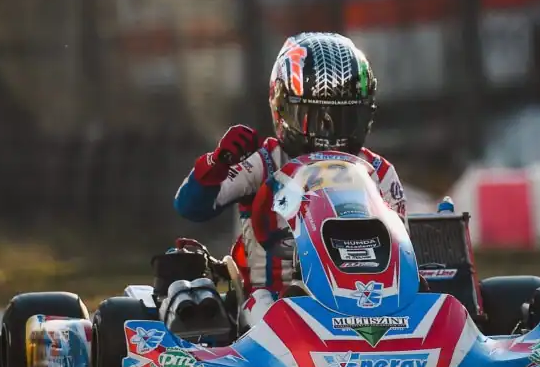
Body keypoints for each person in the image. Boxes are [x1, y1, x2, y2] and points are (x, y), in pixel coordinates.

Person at [173, 32, 407, 328]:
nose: (329, 132)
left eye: (343, 117)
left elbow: (402, 248)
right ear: (283, 109)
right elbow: (190, 206)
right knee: (269, 311)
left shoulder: (378, 172)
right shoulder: (265, 161)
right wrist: (218, 163)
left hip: (371, 294)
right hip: (273, 296)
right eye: (314, 116)